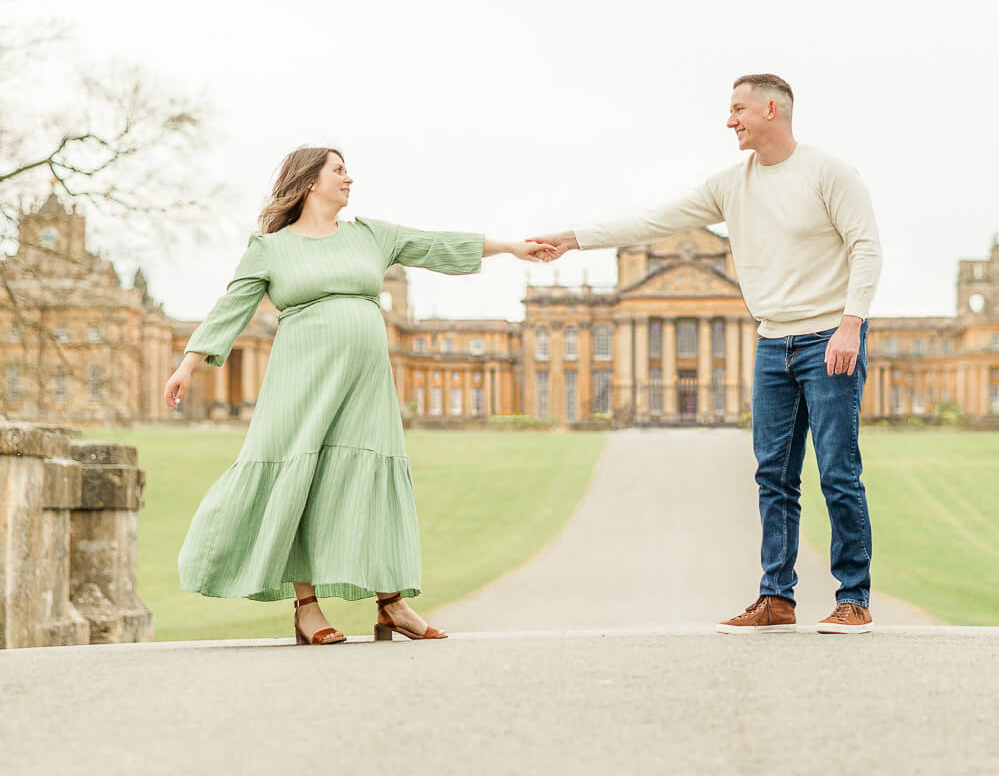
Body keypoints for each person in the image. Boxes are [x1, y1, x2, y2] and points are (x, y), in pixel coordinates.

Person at [531, 74, 884, 634]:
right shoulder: (730, 184)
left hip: (827, 337)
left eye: (739, 109)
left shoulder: (829, 172)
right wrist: (573, 238)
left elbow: (866, 245)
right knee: (773, 476)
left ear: (773, 109)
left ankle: (854, 597)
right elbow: (653, 221)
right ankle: (776, 596)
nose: (730, 120)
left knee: (838, 471)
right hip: (772, 340)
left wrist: (851, 322)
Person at [165, 146, 557, 645]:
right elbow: (231, 308)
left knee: (374, 475)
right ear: (310, 182)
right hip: (300, 380)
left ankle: (392, 603)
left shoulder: (371, 235)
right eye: (339, 170)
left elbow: (434, 244)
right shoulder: (271, 248)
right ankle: (307, 609)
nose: (350, 179)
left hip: (366, 381)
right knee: (298, 476)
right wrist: (187, 365)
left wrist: (510, 248)